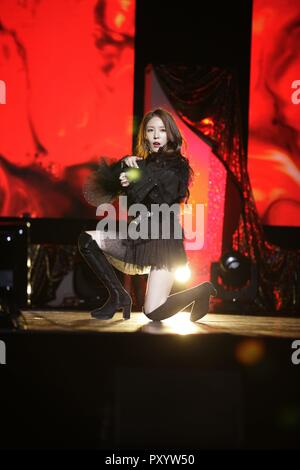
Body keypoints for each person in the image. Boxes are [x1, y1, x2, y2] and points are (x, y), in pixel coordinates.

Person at [78, 108, 216, 321]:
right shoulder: (138, 165)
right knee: (88, 240)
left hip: (163, 243)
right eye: (150, 130)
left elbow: (165, 194)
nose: (156, 135)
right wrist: (123, 170)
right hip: (137, 238)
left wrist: (136, 176)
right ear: (145, 136)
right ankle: (118, 296)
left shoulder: (179, 166)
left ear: (170, 134)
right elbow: (100, 189)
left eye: (161, 130)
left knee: (153, 312)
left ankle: (200, 291)